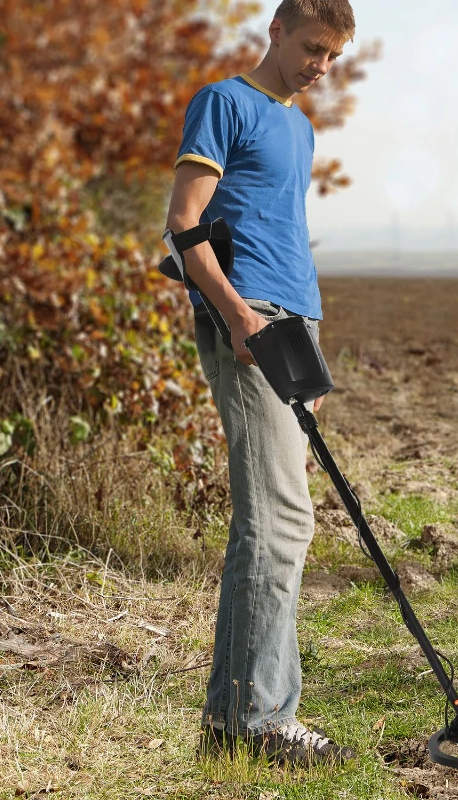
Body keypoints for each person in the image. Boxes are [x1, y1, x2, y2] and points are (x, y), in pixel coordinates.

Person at [164, 0, 356, 767]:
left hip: (294, 325)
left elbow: (283, 233)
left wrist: (310, 351)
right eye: (312, 48)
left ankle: (233, 722)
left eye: (333, 56)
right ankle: (261, 722)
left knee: (282, 520)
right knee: (278, 521)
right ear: (276, 31)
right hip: (252, 322)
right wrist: (239, 316)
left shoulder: (300, 128)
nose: (321, 67)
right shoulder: (225, 103)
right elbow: (184, 222)